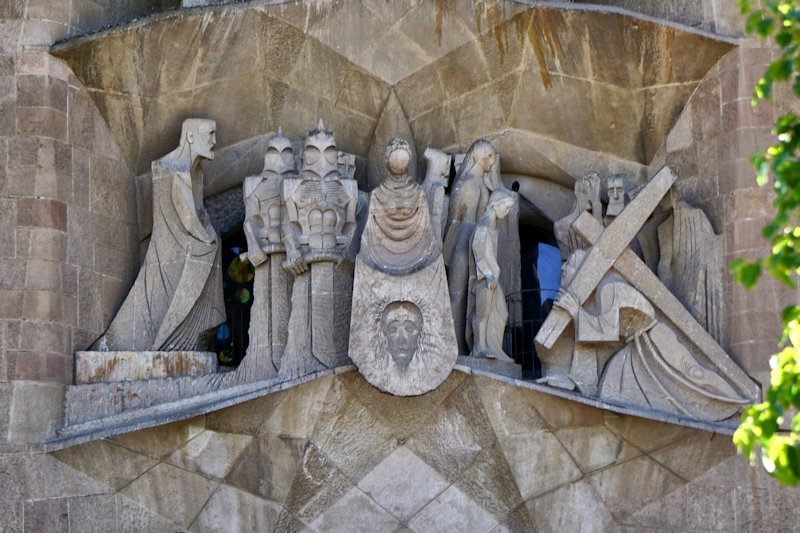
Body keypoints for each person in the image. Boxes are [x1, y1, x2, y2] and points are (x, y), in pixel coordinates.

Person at [93, 118, 225, 351]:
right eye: (210, 134)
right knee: (207, 249)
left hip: (183, 241)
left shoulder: (196, 171)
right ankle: (170, 338)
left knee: (214, 245)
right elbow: (186, 216)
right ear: (191, 137)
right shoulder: (174, 169)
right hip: (174, 245)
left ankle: (191, 332)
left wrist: (208, 230)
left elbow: (198, 212)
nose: (214, 141)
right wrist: (206, 238)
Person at [468, 189, 516, 361]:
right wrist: (487, 274)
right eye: (506, 207)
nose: (507, 211)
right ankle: (479, 348)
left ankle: (494, 348)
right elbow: (478, 250)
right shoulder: (484, 224)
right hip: (484, 278)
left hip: (492, 276)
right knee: (482, 313)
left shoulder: (494, 224)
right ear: (495, 206)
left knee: (501, 312)